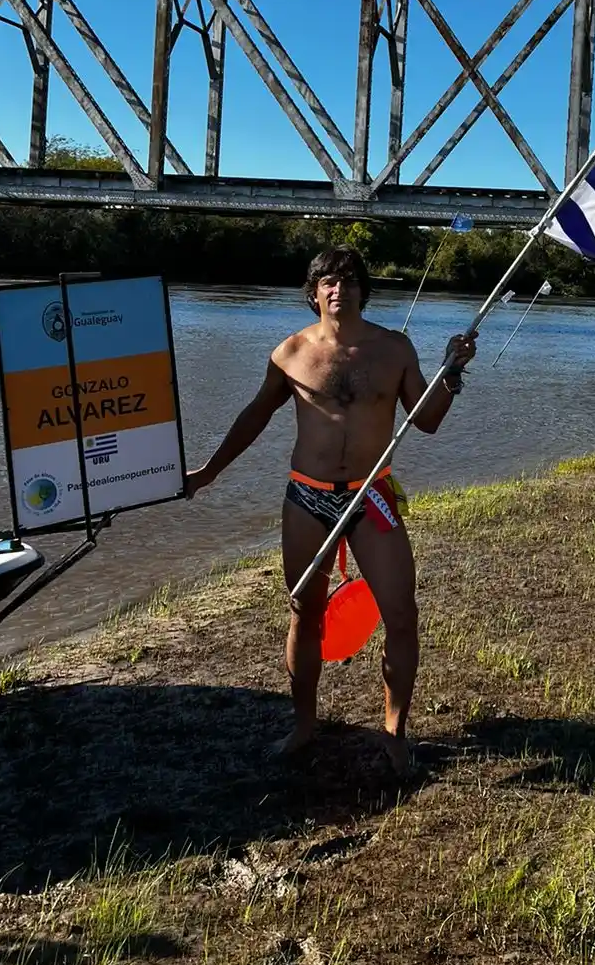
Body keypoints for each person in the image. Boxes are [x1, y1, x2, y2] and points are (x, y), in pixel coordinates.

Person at [185, 244, 476, 775]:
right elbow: (255, 416)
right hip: (307, 495)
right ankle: (303, 726)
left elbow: (427, 419)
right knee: (305, 614)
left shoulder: (394, 349)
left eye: (348, 279)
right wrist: (208, 473)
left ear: (364, 290)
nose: (338, 288)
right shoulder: (290, 352)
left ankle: (393, 732)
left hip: (371, 496)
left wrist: (450, 372)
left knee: (402, 616)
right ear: (314, 293)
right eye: (327, 281)